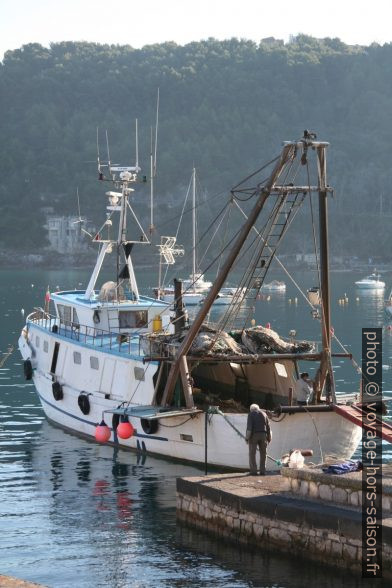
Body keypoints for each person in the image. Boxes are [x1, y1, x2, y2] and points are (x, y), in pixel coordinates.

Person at [245, 404, 271, 475]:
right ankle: (263, 471)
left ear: (251, 409)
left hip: (254, 436)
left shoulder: (250, 414)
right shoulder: (264, 414)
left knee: (252, 454)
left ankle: (253, 471)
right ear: (258, 408)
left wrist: (247, 438)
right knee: (263, 454)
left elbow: (249, 428)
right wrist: (269, 438)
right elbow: (268, 427)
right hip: (264, 435)